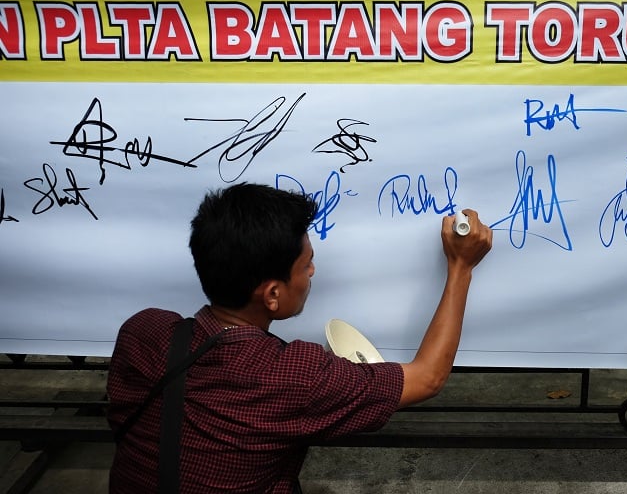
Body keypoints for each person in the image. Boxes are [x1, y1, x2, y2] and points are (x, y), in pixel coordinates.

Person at [106, 183, 492, 493]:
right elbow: (427, 378)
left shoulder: (143, 332)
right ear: (272, 294)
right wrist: (460, 267)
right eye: (305, 264)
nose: (312, 270)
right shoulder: (294, 376)